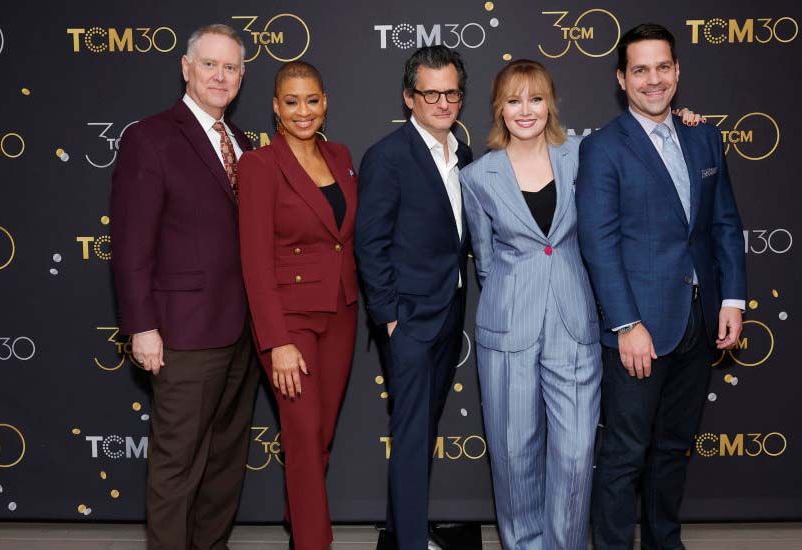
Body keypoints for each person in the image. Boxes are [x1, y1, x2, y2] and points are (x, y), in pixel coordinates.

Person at [576, 23, 747, 550]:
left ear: (677, 71)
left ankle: (664, 543)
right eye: (641, 70)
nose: (654, 80)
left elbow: (723, 223)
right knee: (626, 453)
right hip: (639, 329)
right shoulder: (603, 148)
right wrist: (626, 325)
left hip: (698, 321)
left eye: (663, 67)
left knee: (673, 449)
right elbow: (599, 244)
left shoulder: (704, 135)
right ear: (622, 79)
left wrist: (733, 299)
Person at [110, 23, 259, 550]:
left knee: (222, 465)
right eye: (210, 64)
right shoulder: (149, 137)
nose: (221, 75)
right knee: (177, 468)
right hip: (182, 334)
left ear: (242, 75)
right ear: (186, 67)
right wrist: (142, 326)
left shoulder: (241, 141)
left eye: (231, 67)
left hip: (242, 331)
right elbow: (130, 244)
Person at [459, 59, 601, 550]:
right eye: (514, 99)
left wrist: (681, 119)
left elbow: (639, 142)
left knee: (577, 453)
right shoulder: (478, 177)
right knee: (513, 453)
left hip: (574, 321)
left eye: (536, 98)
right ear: (499, 107)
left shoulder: (582, 155)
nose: (526, 110)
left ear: (550, 104)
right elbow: (484, 257)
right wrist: (511, 300)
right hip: (508, 325)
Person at [354, 45, 473, 550]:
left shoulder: (464, 154)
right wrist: (390, 319)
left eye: (451, 93)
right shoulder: (387, 156)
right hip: (408, 320)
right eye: (431, 93)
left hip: (450, 314)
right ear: (409, 97)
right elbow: (370, 243)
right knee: (410, 436)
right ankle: (408, 543)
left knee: (421, 433)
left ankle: (406, 527)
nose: (443, 103)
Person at [237, 61, 359, 550]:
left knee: (321, 433)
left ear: (325, 102)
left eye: (311, 100)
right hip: (289, 320)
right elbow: (254, 262)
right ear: (275, 107)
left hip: (342, 311)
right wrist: (277, 341)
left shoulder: (341, 154)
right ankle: (313, 541)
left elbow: (344, 238)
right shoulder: (259, 166)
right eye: (291, 101)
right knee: (304, 434)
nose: (302, 111)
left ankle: (298, 517)